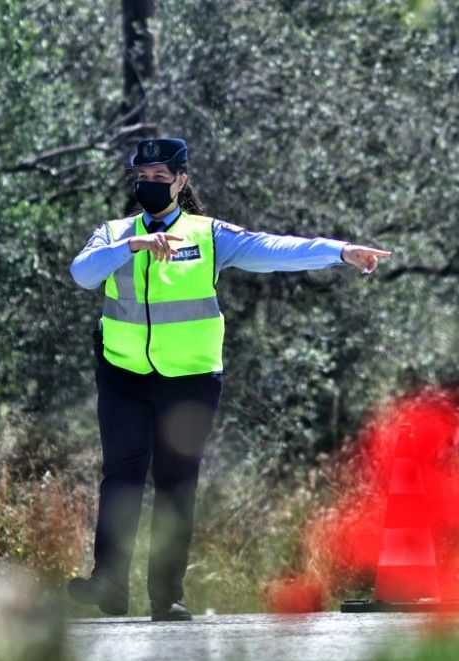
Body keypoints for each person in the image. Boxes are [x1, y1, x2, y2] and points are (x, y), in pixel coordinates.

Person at [67, 137, 390, 621]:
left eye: (161, 177)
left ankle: (166, 596)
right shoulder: (113, 233)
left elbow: (274, 248)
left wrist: (340, 252)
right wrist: (131, 246)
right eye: (143, 177)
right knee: (122, 476)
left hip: (190, 381)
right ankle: (108, 582)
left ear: (181, 181)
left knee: (177, 485)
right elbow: (82, 273)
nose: (150, 185)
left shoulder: (208, 234)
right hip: (124, 373)